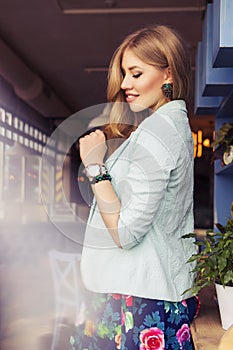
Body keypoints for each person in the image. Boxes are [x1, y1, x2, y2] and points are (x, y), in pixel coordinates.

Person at [70, 24, 199, 350]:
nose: (125, 84)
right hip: (141, 290)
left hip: (136, 297)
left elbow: (125, 232)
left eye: (136, 73)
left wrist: (96, 166)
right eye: (125, 74)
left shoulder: (158, 133)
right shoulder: (169, 127)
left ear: (167, 74)